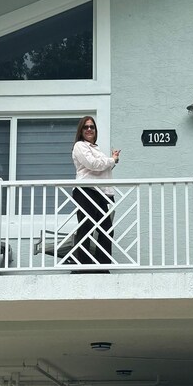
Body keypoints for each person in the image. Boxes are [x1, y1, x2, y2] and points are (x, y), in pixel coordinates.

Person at [71, 116, 121, 271]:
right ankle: (83, 265)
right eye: (86, 127)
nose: (89, 130)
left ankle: (103, 265)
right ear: (81, 130)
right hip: (86, 190)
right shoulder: (80, 146)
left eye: (92, 127)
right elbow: (93, 165)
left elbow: (101, 169)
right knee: (86, 227)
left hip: (100, 192)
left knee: (106, 229)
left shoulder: (96, 149)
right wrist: (111, 160)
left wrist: (113, 161)